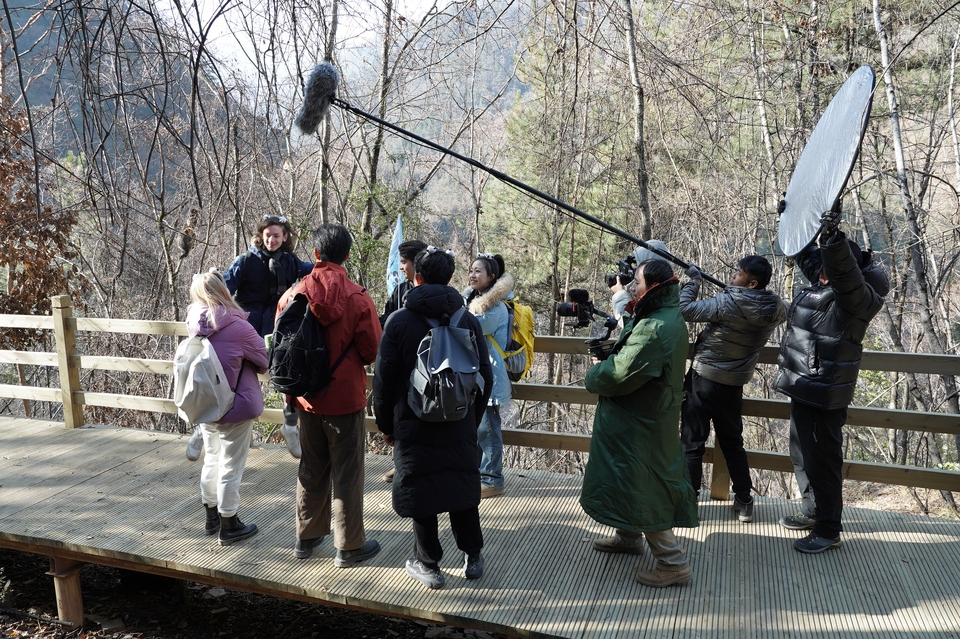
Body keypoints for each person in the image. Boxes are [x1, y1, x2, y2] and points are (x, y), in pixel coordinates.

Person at [373, 247, 494, 589]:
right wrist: (471, 417)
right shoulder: (466, 319)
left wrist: (386, 425)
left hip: (413, 421)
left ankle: (428, 563)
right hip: (459, 420)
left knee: (422, 488)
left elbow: (384, 380)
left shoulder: (399, 321)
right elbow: (483, 375)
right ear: (450, 277)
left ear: (418, 277)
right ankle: (473, 556)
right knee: (460, 482)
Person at [774, 205, 886, 554]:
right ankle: (813, 511)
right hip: (804, 385)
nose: (819, 272)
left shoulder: (857, 299)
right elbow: (804, 252)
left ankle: (828, 530)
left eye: (828, 267)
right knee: (802, 456)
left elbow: (843, 273)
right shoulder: (821, 282)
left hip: (824, 391)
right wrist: (791, 218)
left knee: (822, 462)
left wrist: (833, 239)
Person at [580, 259, 699, 588]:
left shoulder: (654, 327)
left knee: (645, 486)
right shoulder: (662, 314)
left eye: (637, 281)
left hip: (640, 421)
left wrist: (595, 372)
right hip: (643, 414)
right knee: (628, 477)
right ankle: (628, 536)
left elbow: (619, 374)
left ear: (654, 287)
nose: (631, 286)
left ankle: (672, 563)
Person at [279, 224, 383, 565]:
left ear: (316, 254)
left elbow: (281, 345)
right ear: (348, 255)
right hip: (344, 398)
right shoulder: (358, 297)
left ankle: (305, 539)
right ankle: (349, 546)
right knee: (347, 473)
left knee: (312, 467)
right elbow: (371, 351)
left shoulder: (293, 294)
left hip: (307, 398)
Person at [185, 215, 311, 462]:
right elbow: (224, 286)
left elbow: (314, 272)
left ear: (285, 237)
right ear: (261, 236)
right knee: (225, 378)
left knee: (292, 371)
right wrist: (212, 281)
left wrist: (328, 264)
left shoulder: (290, 262)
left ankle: (290, 424)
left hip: (277, 331)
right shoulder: (246, 261)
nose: (271, 240)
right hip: (245, 333)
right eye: (268, 235)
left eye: (276, 235)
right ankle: (201, 427)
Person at [679, 255, 786, 522]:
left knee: (692, 443)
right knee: (732, 443)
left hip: (703, 380)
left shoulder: (727, 303)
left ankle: (688, 502)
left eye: (738, 274)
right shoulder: (777, 308)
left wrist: (694, 281)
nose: (732, 277)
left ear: (751, 283)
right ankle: (744, 501)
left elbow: (685, 309)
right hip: (734, 384)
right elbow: (783, 306)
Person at [185, 270, 269, 546]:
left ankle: (210, 517)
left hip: (207, 405)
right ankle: (229, 523)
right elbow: (264, 360)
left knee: (212, 459)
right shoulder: (239, 327)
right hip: (236, 406)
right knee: (231, 465)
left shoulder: (193, 325)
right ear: (223, 291)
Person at [465, 253, 514, 499]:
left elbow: (470, 327)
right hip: (477, 375)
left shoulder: (494, 307)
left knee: (487, 429)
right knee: (478, 427)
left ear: (491, 277)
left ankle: (492, 478)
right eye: (471, 270)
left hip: (490, 376)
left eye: (478, 271)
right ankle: (479, 475)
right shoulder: (474, 300)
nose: (472, 275)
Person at [379, 239, 427, 484]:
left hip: (423, 366)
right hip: (399, 362)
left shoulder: (427, 290)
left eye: (404, 262)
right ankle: (400, 463)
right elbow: (387, 317)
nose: (400, 267)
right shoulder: (400, 290)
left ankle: (414, 465)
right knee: (400, 415)